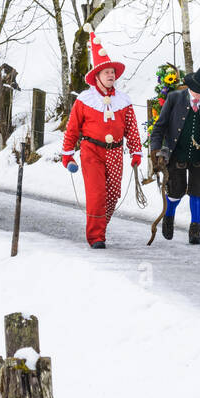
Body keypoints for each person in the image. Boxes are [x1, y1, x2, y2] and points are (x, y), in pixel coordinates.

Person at [59, 31, 143, 248]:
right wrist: (68, 154)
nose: (111, 75)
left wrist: (136, 152)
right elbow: (72, 129)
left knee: (113, 194)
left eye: (112, 72)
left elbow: (132, 129)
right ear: (96, 76)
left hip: (115, 152)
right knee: (97, 195)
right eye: (106, 72)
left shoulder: (124, 101)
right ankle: (96, 237)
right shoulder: (85, 100)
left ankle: (99, 228)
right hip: (91, 151)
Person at [147, 61, 200, 245]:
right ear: (190, 86)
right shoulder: (175, 98)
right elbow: (160, 127)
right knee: (175, 192)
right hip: (177, 154)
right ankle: (169, 215)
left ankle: (195, 229)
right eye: (197, 90)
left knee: (198, 192)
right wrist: (155, 149)